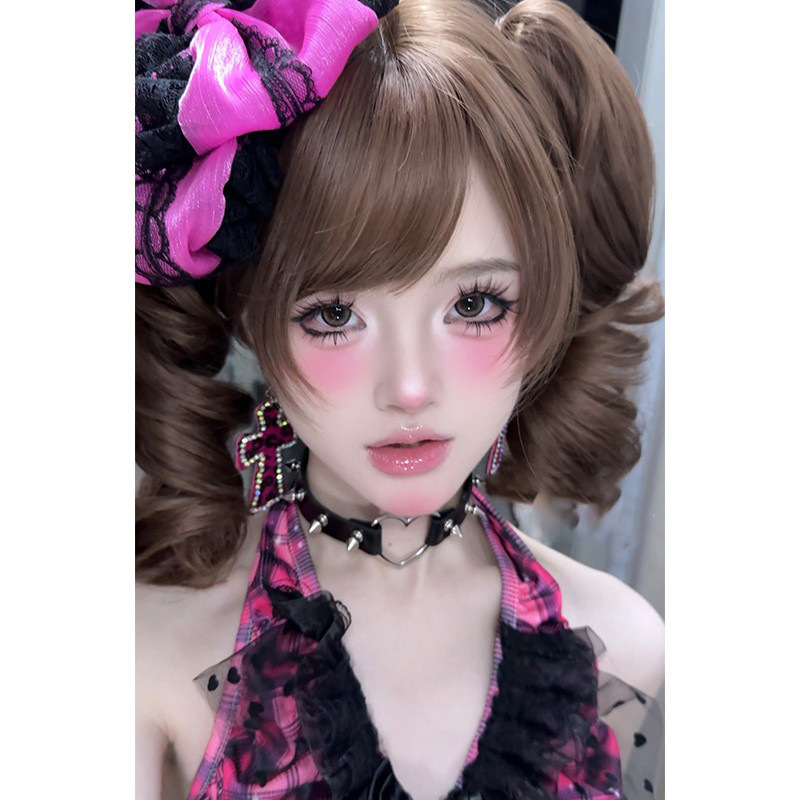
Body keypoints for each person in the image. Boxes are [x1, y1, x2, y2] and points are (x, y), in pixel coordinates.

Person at [135, 1, 665, 799]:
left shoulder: (624, 646)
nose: (410, 386)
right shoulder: (149, 649)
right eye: (334, 315)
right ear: (252, 317)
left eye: (475, 304)